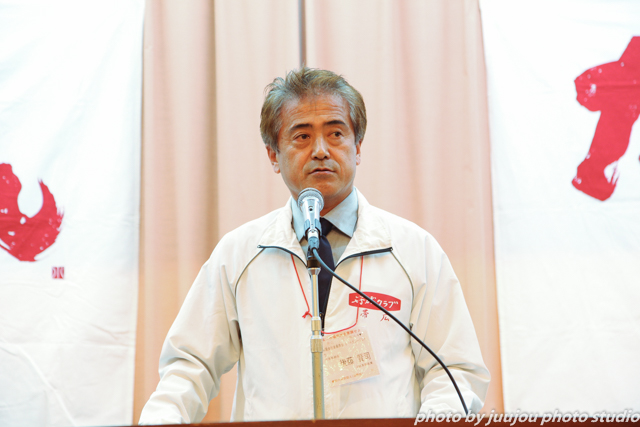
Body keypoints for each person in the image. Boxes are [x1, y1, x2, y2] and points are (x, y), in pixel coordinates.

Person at [139, 67, 490, 424]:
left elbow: (455, 372)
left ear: (357, 147)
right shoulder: (239, 254)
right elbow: (189, 367)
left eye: (336, 133)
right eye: (302, 136)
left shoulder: (414, 251)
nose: (321, 151)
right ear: (273, 155)